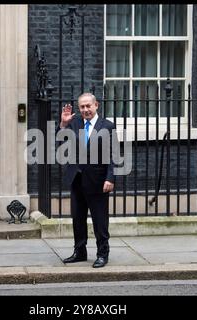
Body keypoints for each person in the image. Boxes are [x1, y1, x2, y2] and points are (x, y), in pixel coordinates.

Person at [57, 92, 116, 268]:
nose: (85, 110)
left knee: (99, 220)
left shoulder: (107, 126)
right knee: (78, 218)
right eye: (82, 107)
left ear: (96, 105)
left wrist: (110, 178)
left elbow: (114, 155)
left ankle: (102, 254)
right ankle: (80, 251)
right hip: (77, 179)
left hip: (98, 181)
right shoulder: (74, 123)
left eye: (88, 106)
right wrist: (62, 124)